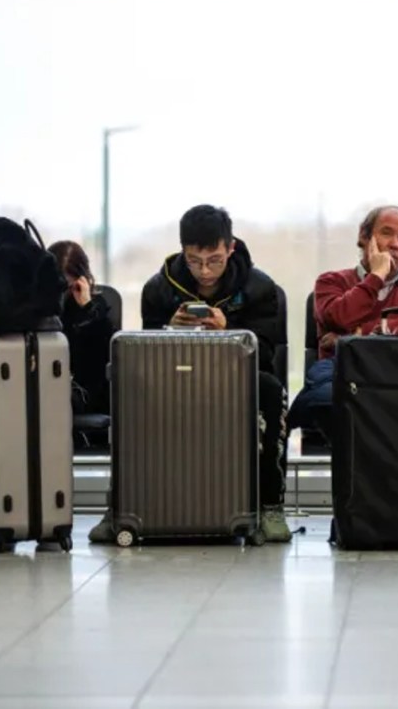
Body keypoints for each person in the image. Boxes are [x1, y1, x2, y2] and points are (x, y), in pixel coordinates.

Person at [88, 205, 291, 544]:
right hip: (174, 380)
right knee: (128, 391)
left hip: (235, 382)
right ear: (183, 250)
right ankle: (121, 505)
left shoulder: (259, 288)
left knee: (270, 390)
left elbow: (268, 355)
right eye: (195, 261)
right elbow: (144, 352)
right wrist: (170, 329)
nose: (205, 271)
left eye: (214, 259)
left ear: (230, 249)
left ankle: (270, 504)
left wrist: (231, 330)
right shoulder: (160, 288)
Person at [288, 205, 398, 437]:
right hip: (343, 368)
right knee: (326, 399)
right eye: (386, 233)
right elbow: (339, 316)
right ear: (364, 237)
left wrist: (357, 335)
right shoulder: (330, 282)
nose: (395, 244)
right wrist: (376, 277)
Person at [47, 240, 116, 417]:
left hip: (85, 389)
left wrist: (87, 309)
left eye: (68, 287)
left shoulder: (96, 309)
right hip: (49, 383)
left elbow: (104, 356)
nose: (62, 295)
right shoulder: (40, 308)